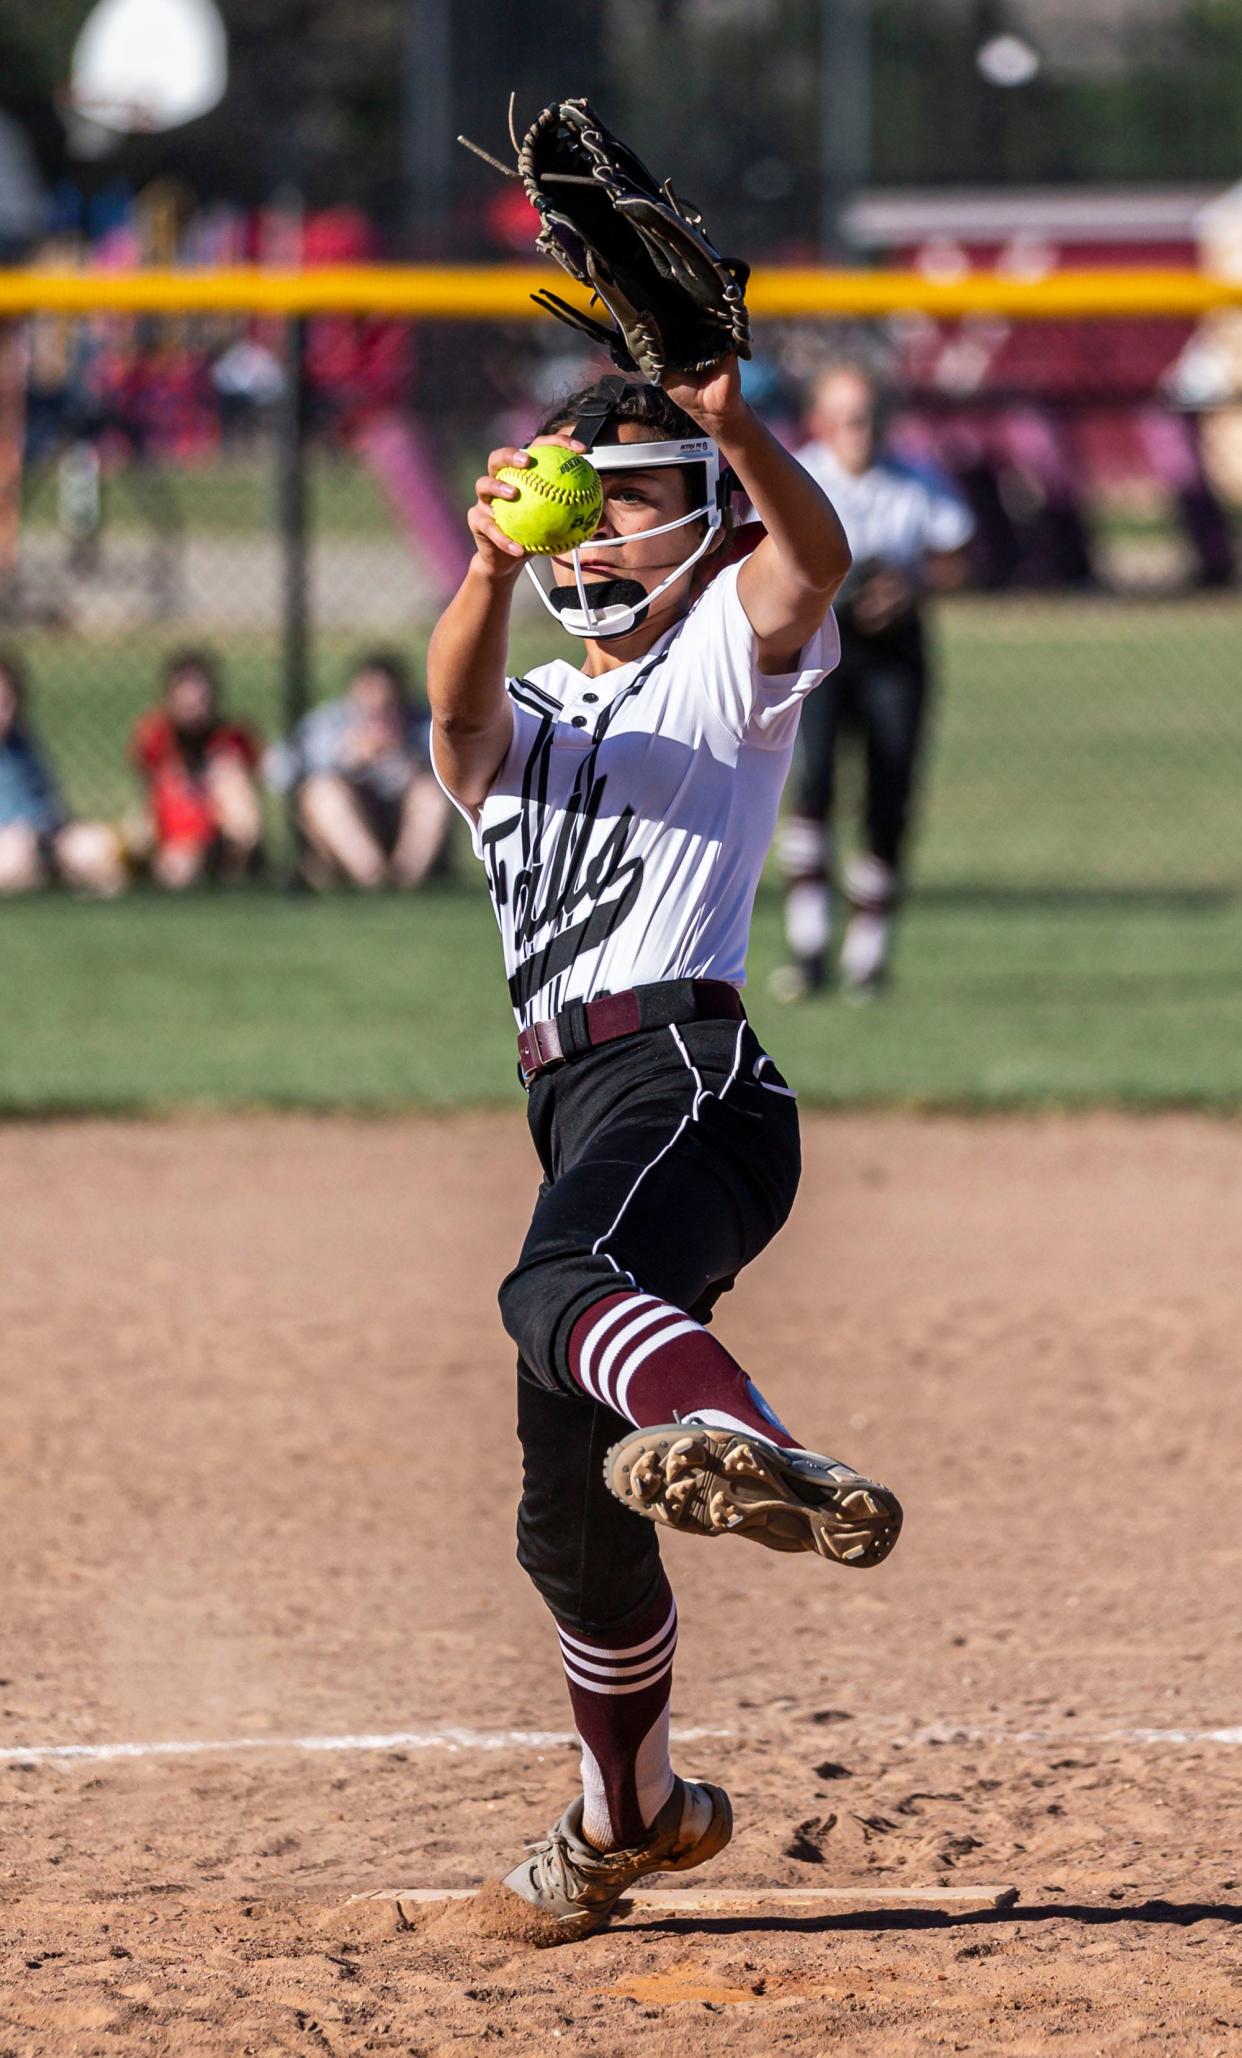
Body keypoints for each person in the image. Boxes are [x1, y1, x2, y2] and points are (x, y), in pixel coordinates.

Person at [426, 361, 904, 1940]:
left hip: (691, 1077)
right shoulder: (528, 710)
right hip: (576, 1106)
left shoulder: (722, 656)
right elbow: (452, 709)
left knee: (556, 1277)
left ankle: (745, 1438)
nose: (604, 523)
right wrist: (488, 569)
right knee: (564, 1521)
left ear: (697, 515)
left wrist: (734, 427)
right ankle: (629, 1814)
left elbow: (814, 564)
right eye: (591, 494)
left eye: (633, 494)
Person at [774, 361, 974, 999]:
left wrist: (908, 585)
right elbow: (765, 557)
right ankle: (808, 947)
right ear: (822, 422)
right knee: (816, 783)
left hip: (895, 650)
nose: (863, 430)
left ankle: (868, 954)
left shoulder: (915, 478)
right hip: (822, 646)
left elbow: (955, 556)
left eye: (871, 416)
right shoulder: (803, 475)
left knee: (889, 790)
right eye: (848, 417)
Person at [266, 652, 451, 889]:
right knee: (324, 791)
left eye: (387, 702)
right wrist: (346, 755)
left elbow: (457, 771)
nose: (378, 707)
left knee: (431, 793)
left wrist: (404, 758)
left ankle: (405, 879)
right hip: (340, 839)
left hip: (398, 825)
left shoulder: (422, 725)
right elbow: (277, 770)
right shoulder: (330, 723)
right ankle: (374, 877)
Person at [130, 651, 264, 888]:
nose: (192, 708)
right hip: (175, 840)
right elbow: (153, 795)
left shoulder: (232, 739)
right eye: (184, 699)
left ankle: (233, 871)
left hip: (221, 836)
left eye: (199, 699)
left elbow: (246, 809)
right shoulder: (156, 738)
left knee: (229, 776)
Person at [0, 653, 125, 897]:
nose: (5, 712)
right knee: (15, 857)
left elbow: (48, 802)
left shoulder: (23, 745)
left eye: (8, 702)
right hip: (11, 842)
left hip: (46, 835)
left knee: (97, 849)